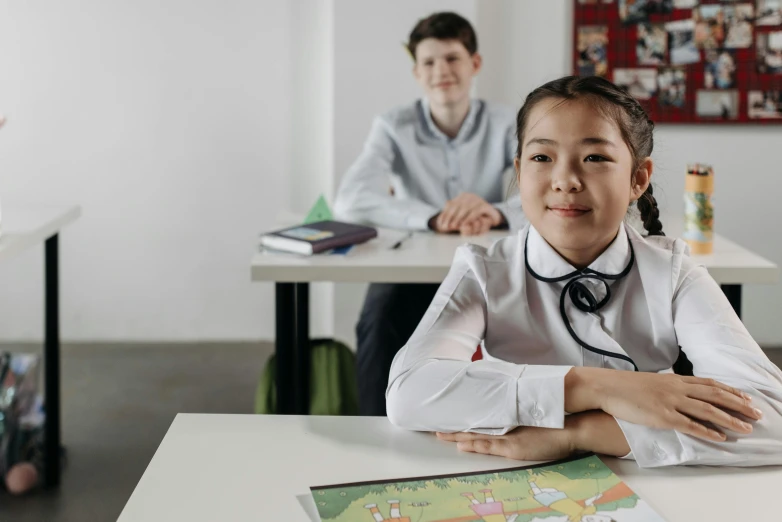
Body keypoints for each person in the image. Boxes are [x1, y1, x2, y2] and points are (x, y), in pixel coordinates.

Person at [386, 75, 782, 467]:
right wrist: (596, 388)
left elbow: (772, 419)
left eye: (594, 158)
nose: (565, 181)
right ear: (520, 172)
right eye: (542, 158)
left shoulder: (673, 273)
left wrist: (579, 434)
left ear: (638, 178)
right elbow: (409, 393)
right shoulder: (485, 270)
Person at [333, 12, 524, 416]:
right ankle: (374, 428)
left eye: (452, 58)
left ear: (475, 64)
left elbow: (546, 192)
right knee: (378, 320)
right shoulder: (392, 126)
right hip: (409, 268)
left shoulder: (509, 123)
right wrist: (432, 217)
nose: (441, 71)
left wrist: (495, 211)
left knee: (526, 325)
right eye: (429, 62)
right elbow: (350, 199)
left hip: (484, 266)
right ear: (417, 72)